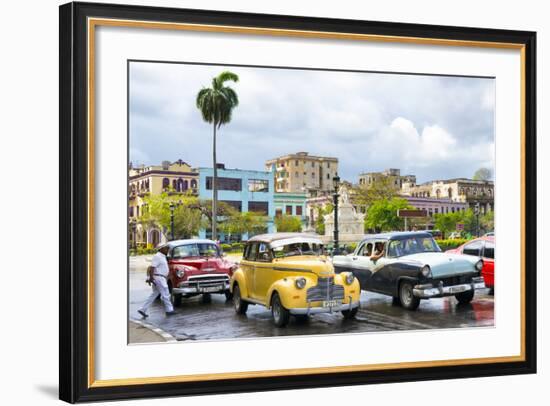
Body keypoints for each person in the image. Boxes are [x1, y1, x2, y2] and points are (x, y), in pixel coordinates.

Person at [138, 244, 176, 318]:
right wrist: (151, 278)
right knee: (166, 294)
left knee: (154, 295)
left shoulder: (162, 256)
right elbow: (152, 267)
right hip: (159, 278)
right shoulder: (157, 256)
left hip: (161, 278)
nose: (168, 250)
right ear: (161, 249)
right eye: (166, 248)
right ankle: (169, 310)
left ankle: (142, 309)